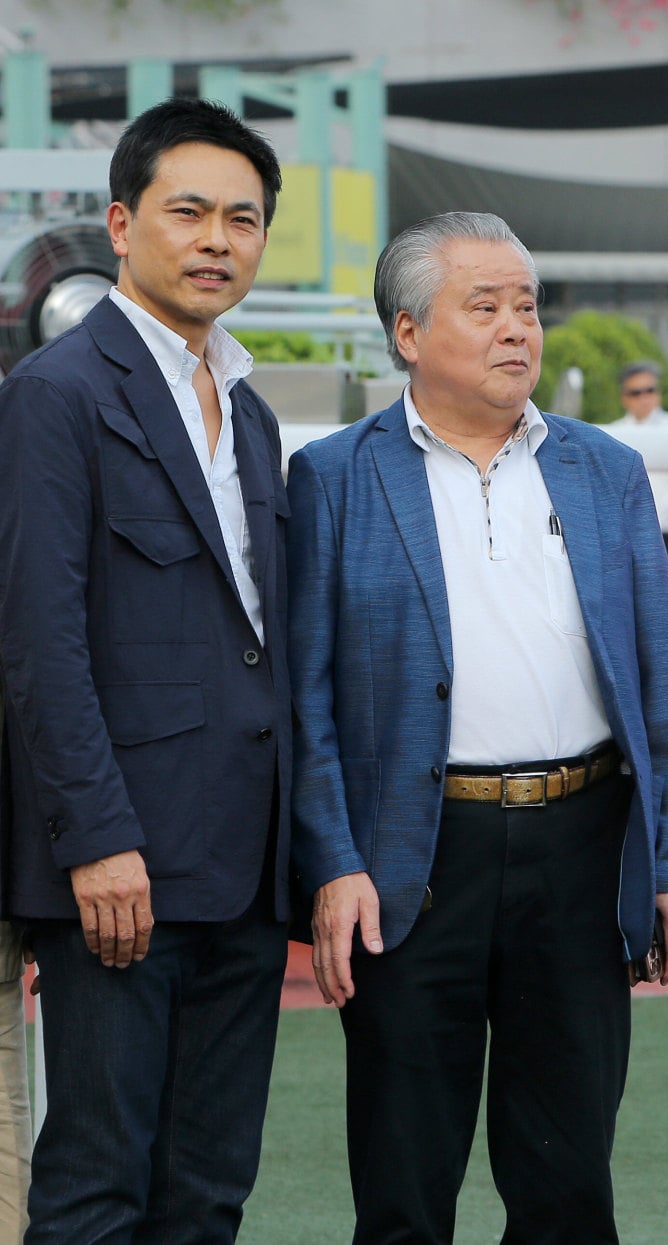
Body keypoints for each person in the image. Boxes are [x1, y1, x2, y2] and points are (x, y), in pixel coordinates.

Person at [287, 212, 668, 1244]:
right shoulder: (337, 476)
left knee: (568, 1183)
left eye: (527, 305)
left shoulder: (604, 471)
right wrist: (333, 859)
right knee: (403, 1179)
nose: (518, 328)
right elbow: (306, 699)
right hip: (411, 861)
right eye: (485, 307)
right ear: (407, 332)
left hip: (579, 845)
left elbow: (662, 679)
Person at [0, 97, 291, 1242]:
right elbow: (38, 637)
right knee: (97, 1185)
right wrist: (96, 841)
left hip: (242, 861)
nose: (219, 239)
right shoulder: (54, 398)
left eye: (245, 219)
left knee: (207, 1189)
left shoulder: (254, 410)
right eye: (189, 212)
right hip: (119, 868)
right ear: (122, 225)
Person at [608, 359, 668, 574]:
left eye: (650, 390)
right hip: (625, 538)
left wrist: (649, 525)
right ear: (624, 398)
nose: (644, 398)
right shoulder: (613, 433)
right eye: (636, 392)